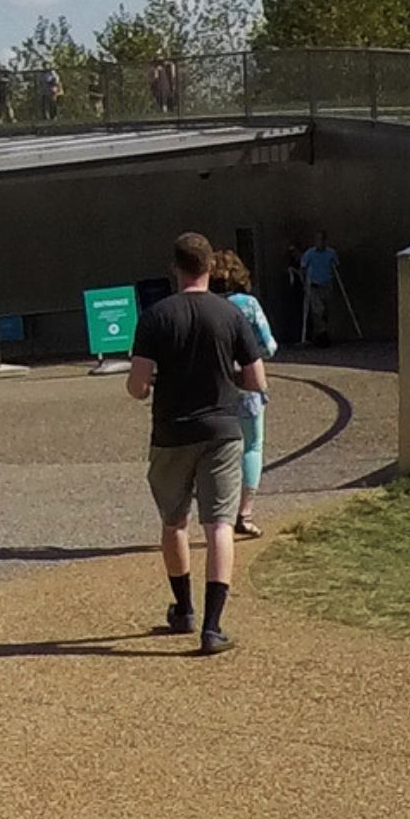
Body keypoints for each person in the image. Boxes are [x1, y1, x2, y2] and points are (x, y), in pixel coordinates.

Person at [127, 231, 268, 655]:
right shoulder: (231, 316)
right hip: (223, 430)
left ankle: (183, 609)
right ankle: (213, 626)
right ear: (210, 267)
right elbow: (256, 380)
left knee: (175, 522)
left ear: (175, 268)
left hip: (171, 431)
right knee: (220, 525)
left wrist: (148, 385)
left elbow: (137, 386)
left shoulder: (155, 317)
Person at [214, 251, 280, 538]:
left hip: (214, 387)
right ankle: (245, 512)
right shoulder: (249, 305)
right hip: (248, 386)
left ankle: (217, 513)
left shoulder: (208, 305)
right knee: (252, 446)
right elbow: (269, 345)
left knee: (217, 452)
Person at [297, 234, 345, 343]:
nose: (320, 242)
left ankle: (322, 333)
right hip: (313, 286)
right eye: (318, 240)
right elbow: (303, 268)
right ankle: (322, 333)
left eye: (322, 240)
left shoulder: (330, 253)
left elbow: (337, 266)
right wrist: (304, 283)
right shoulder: (309, 254)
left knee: (325, 310)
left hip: (327, 284)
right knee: (318, 310)